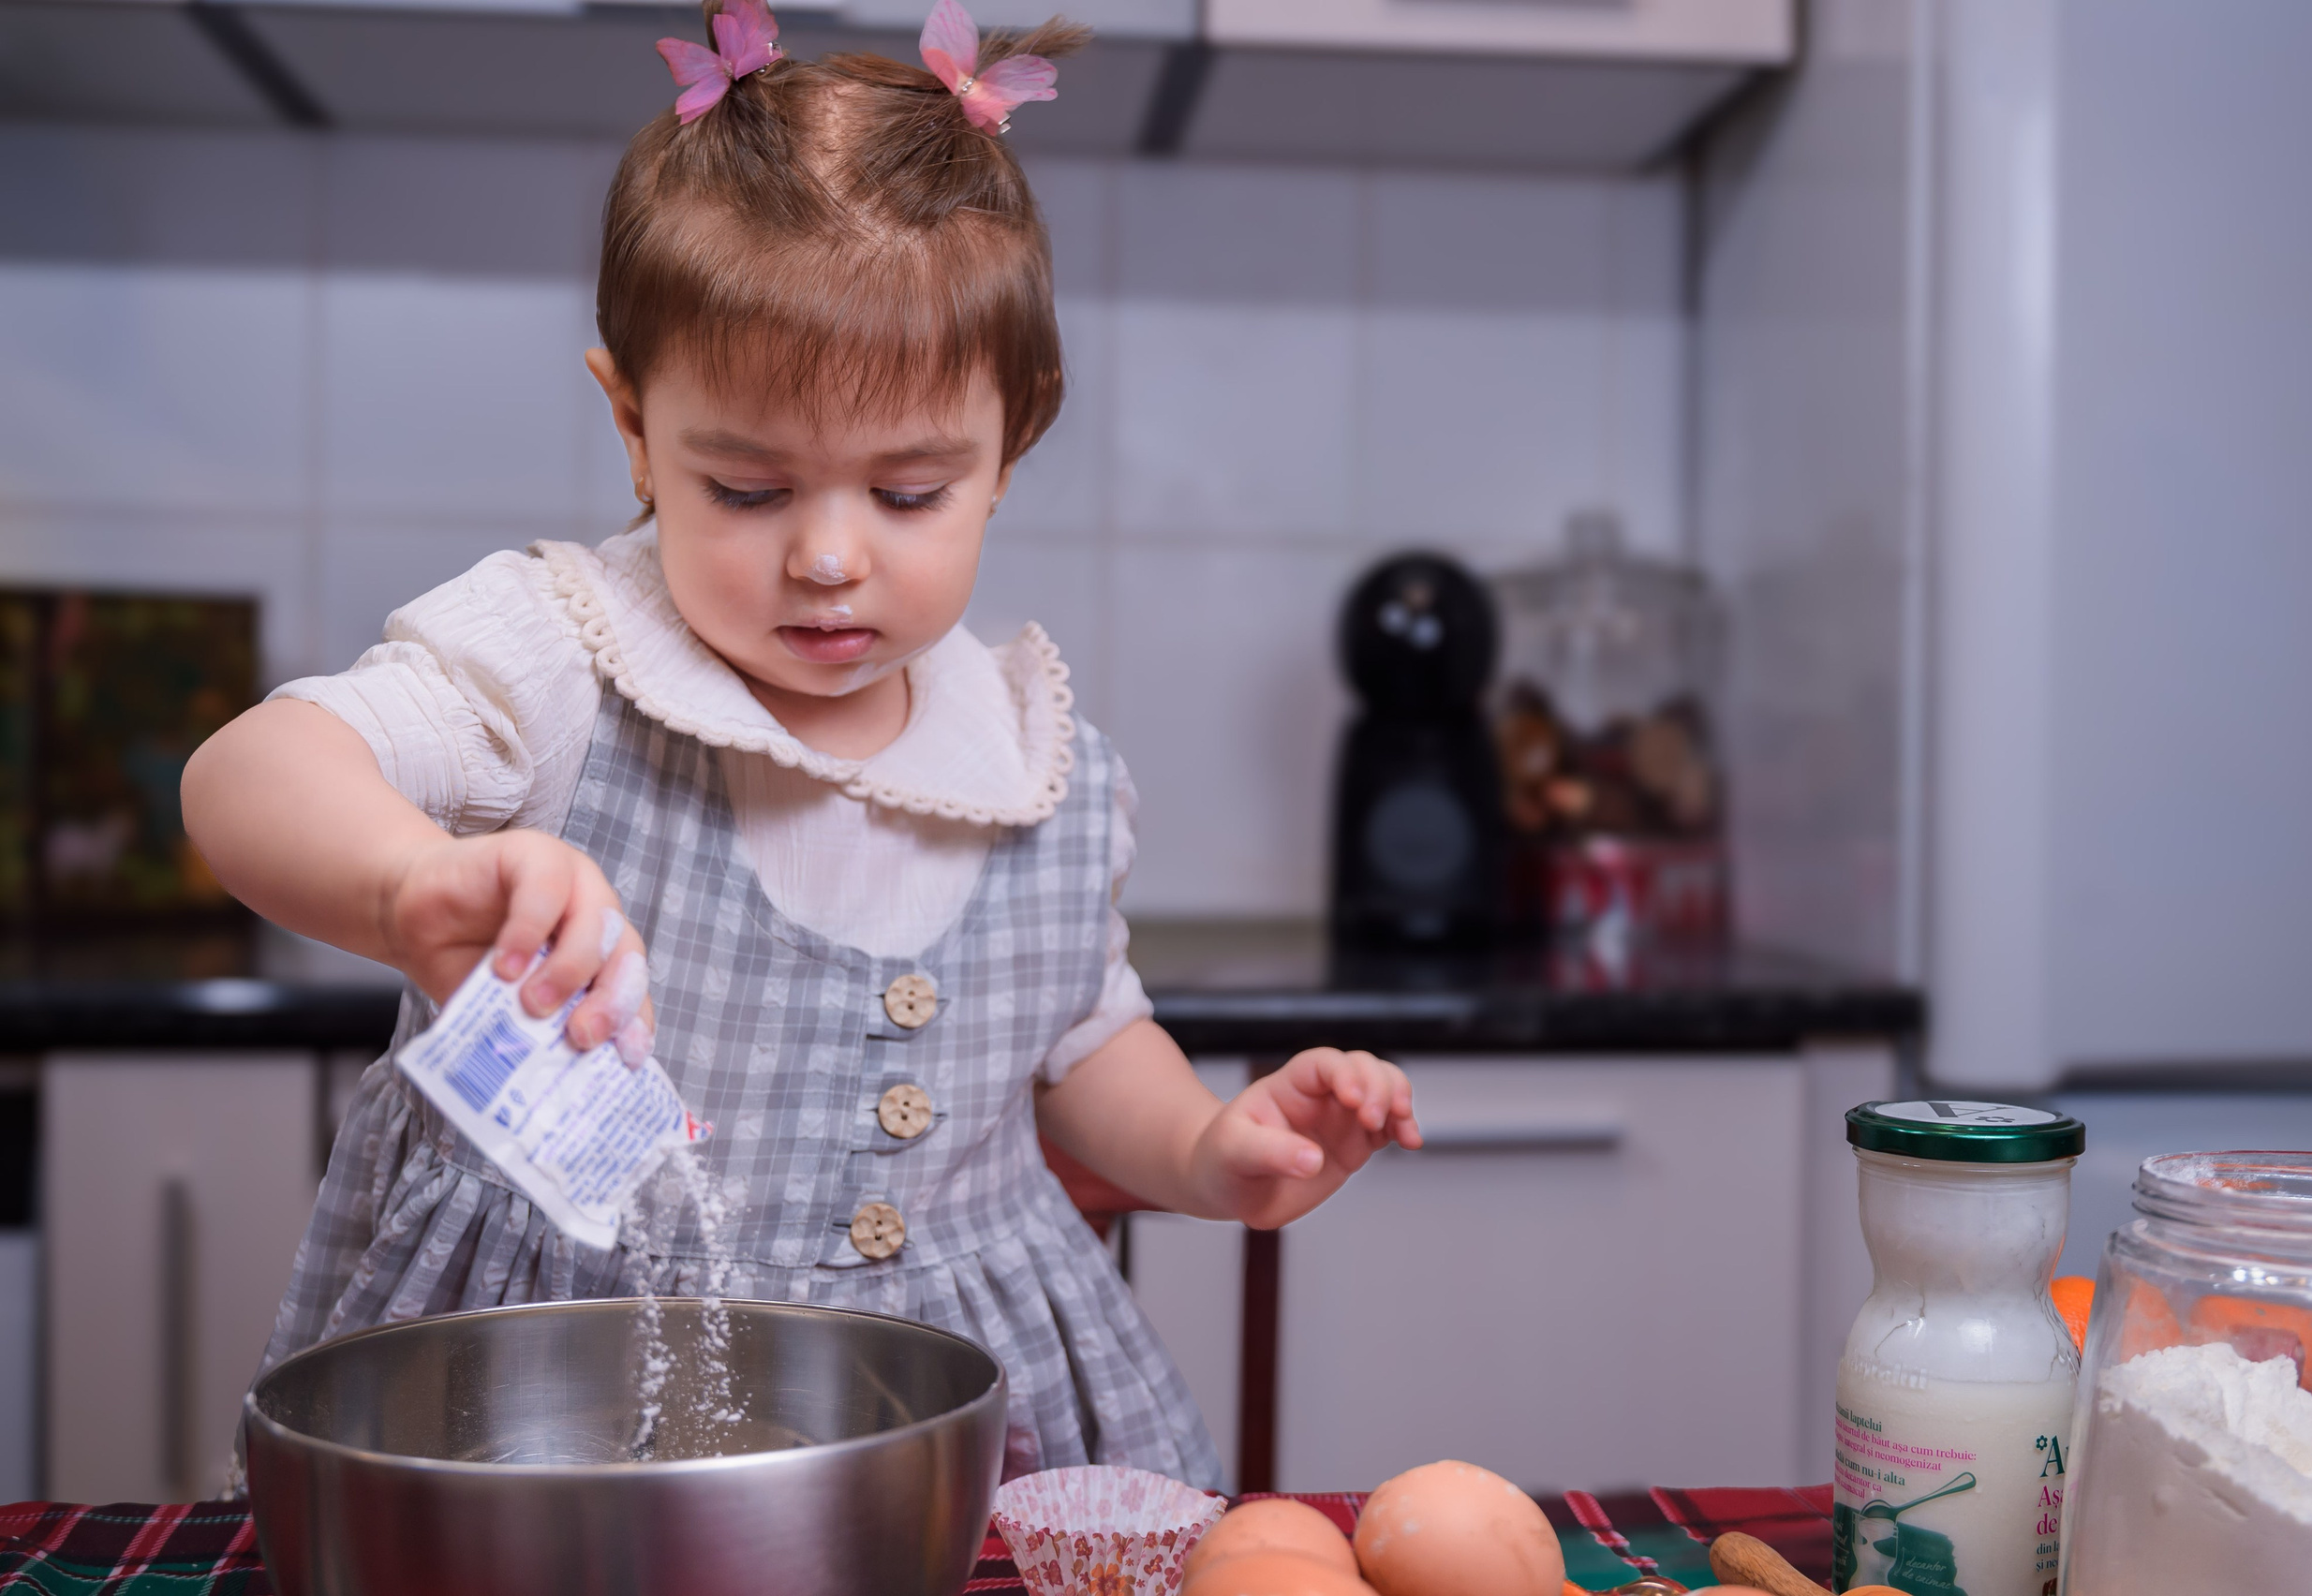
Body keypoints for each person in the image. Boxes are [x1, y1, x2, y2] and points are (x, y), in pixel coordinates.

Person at [181, 0, 1420, 1490]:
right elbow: (252, 771)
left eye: (908, 495)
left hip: (953, 1430)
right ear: (635, 430)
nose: (829, 559)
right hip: (568, 1408)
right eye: (750, 491)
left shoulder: (1039, 758)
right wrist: (404, 888)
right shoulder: (566, 658)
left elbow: (1080, 1046)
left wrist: (1213, 1153)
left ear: (1010, 447)